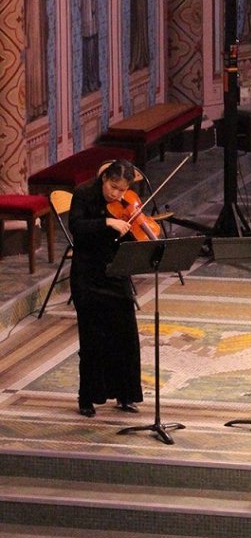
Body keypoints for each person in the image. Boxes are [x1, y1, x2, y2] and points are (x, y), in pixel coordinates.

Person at [68, 159, 144, 417]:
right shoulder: (83, 193)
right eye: (113, 187)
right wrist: (107, 223)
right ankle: (87, 398)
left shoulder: (125, 200)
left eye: (122, 190)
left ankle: (125, 395)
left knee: (125, 336)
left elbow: (131, 233)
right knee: (92, 338)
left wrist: (134, 228)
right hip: (87, 274)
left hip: (115, 271)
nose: (117, 194)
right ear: (104, 179)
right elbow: (76, 227)